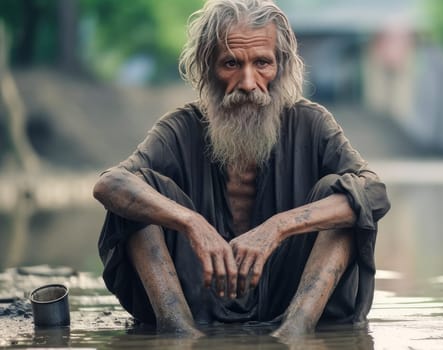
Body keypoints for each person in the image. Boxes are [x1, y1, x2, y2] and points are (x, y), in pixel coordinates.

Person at [92, 0, 390, 338]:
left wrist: (278, 228)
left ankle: (295, 333)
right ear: (207, 67)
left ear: (282, 66)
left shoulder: (312, 123)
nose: (248, 82)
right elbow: (109, 184)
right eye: (231, 63)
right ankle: (178, 333)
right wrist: (192, 224)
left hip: (289, 296)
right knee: (139, 190)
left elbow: (375, 192)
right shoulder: (181, 127)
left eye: (262, 63)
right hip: (198, 295)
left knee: (346, 195)